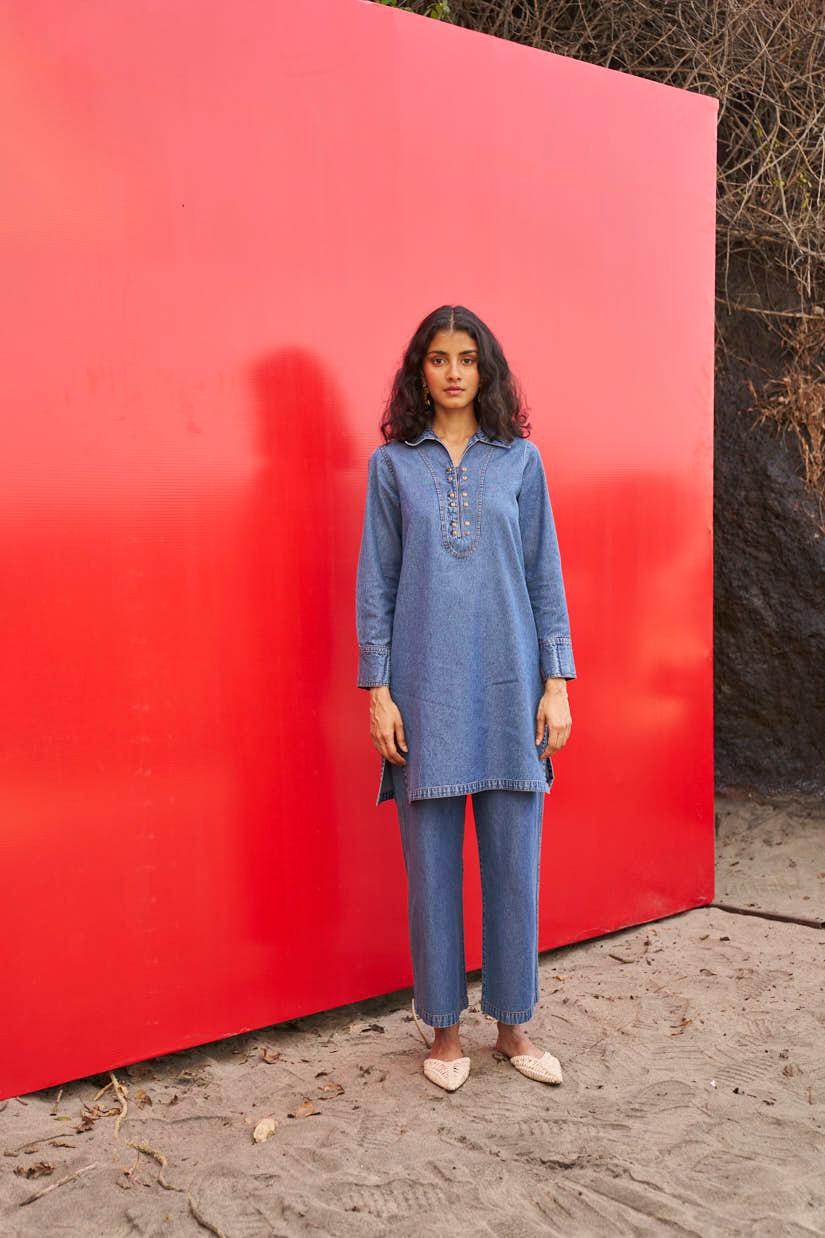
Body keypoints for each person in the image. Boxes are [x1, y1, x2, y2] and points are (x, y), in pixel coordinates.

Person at [355, 305, 576, 1092]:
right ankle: (444, 1031)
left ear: (486, 371)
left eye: (467, 358)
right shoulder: (392, 467)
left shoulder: (519, 462)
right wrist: (378, 693)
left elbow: (544, 575)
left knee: (515, 866)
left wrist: (556, 683)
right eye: (439, 358)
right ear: (419, 371)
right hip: (424, 692)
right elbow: (376, 584)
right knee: (431, 870)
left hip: (511, 687)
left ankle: (512, 1027)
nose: (453, 372)